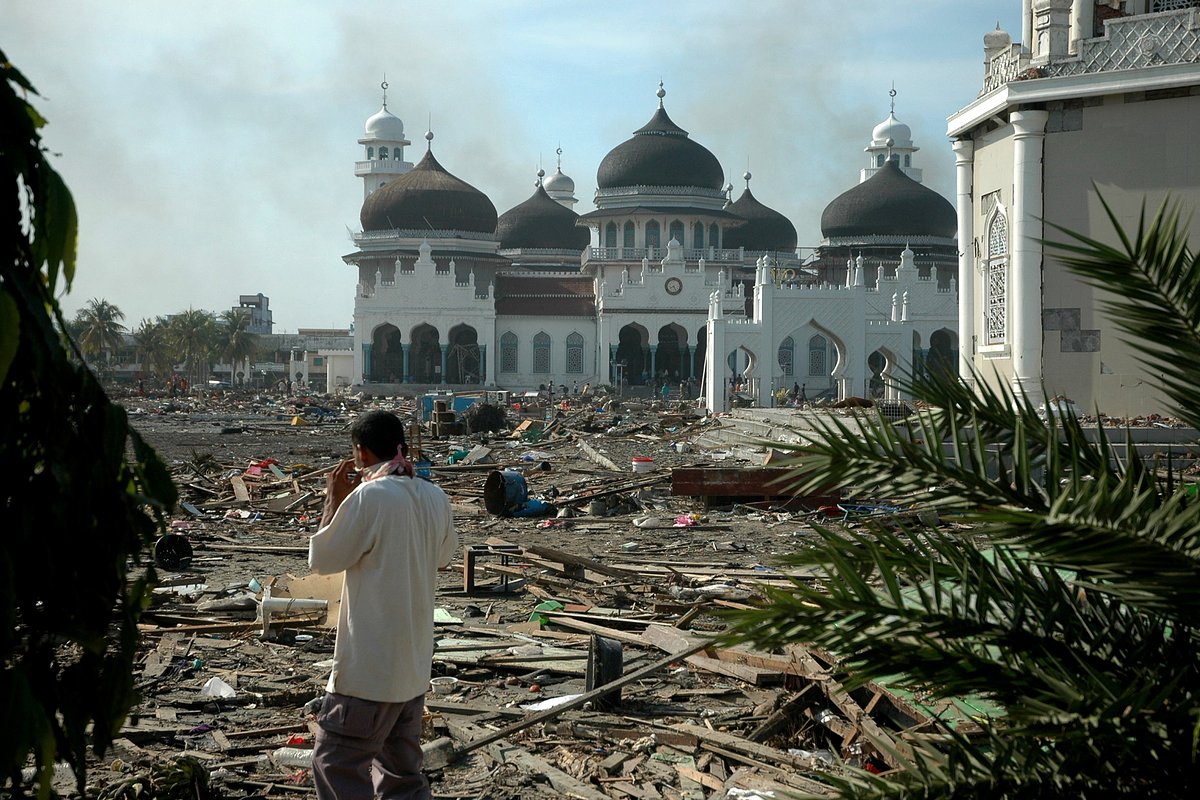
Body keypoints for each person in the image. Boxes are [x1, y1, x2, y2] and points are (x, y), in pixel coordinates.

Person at [308, 410, 458, 799]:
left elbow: (323, 561)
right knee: (402, 776)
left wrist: (333, 502)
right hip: (411, 669)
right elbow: (444, 557)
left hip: (369, 671)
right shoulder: (434, 497)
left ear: (359, 452)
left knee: (336, 763)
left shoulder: (368, 498)